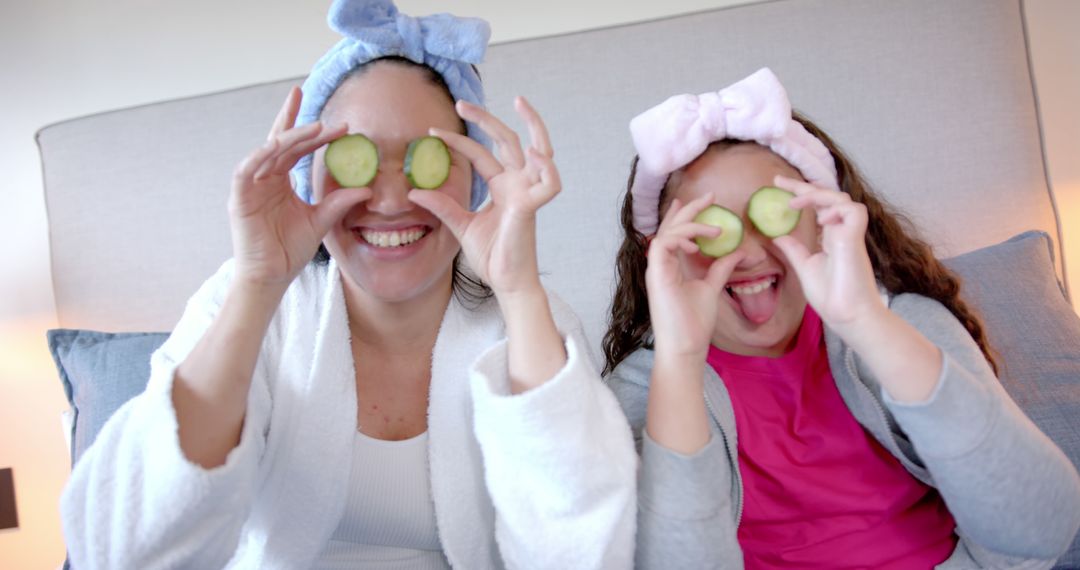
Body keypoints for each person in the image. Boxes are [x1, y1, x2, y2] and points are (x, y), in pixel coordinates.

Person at [60, 1, 635, 568]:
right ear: (308, 176)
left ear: (476, 177)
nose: (388, 200)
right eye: (355, 158)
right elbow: (122, 551)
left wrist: (518, 290)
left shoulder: (532, 315)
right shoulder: (248, 297)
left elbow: (586, 552)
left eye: (423, 158)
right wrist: (259, 283)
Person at [603, 67, 1080, 569]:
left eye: (774, 213)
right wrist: (679, 360)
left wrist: (865, 322)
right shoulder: (644, 389)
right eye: (709, 229)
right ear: (659, 257)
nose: (745, 253)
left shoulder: (903, 324)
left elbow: (1042, 530)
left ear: (822, 222)